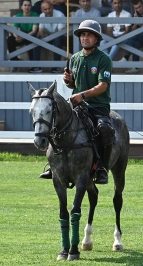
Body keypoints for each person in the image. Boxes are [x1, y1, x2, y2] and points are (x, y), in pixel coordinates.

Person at [39, 20, 114, 184]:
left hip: (98, 106)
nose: (85, 38)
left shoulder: (104, 59)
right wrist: (68, 81)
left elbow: (103, 86)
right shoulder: (74, 58)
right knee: (55, 124)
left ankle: (102, 168)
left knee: (105, 129)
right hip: (76, 106)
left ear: (96, 39)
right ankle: (53, 165)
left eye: (89, 35)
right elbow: (72, 84)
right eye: (83, 35)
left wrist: (83, 95)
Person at [7, 0, 41, 73]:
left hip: (30, 35)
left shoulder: (35, 15)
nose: (27, 7)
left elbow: (34, 31)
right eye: (25, 5)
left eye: (29, 5)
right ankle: (14, 62)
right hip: (21, 35)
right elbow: (15, 29)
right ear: (21, 7)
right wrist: (16, 36)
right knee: (10, 40)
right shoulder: (18, 15)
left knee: (33, 41)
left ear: (31, 6)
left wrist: (23, 37)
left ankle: (34, 66)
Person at [38, 1, 66, 72]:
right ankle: (36, 67)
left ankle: (56, 67)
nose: (48, 11)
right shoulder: (41, 16)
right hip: (48, 37)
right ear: (42, 10)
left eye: (49, 8)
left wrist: (47, 35)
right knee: (36, 39)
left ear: (52, 7)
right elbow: (40, 30)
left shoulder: (60, 14)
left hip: (61, 37)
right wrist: (41, 34)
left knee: (57, 39)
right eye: (45, 9)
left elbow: (60, 32)